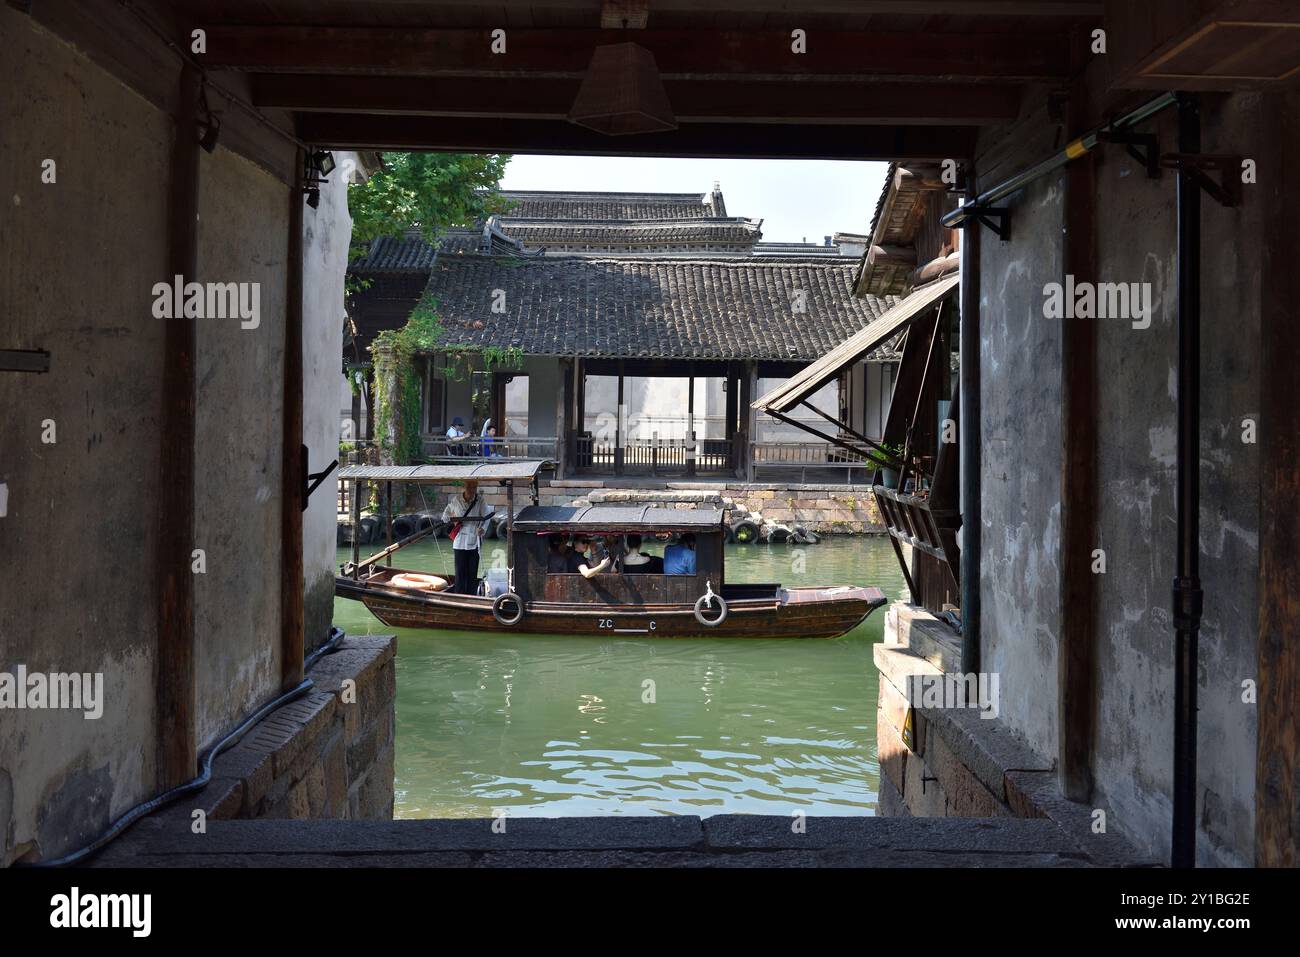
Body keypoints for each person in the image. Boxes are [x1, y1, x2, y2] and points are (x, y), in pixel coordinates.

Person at [441, 479, 490, 594]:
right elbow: (446, 513)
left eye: (474, 488)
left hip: (474, 539)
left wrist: (482, 529)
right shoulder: (456, 500)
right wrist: (447, 519)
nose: (472, 490)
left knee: (472, 571)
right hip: (459, 540)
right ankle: (459, 593)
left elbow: (487, 517)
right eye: (470, 487)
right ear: (465, 487)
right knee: (460, 571)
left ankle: (471, 594)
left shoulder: (480, 501)